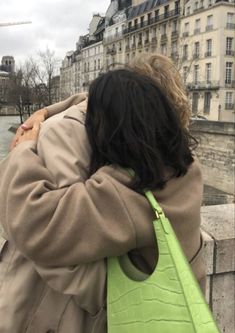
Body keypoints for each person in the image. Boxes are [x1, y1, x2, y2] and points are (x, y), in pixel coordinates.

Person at [0, 67, 205, 332]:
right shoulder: (182, 168)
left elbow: (35, 222)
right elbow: (111, 101)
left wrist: (22, 151)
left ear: (113, 131)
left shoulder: (128, 193)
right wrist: (45, 112)